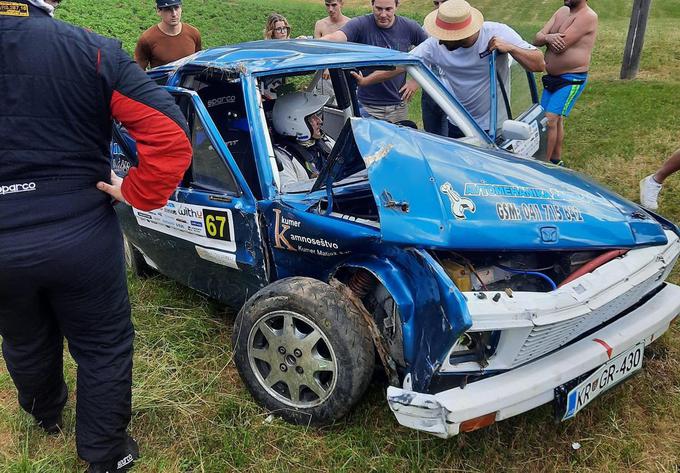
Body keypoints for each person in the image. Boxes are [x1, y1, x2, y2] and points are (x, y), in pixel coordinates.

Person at [0, 1, 192, 472]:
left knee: (23, 335)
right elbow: (170, 135)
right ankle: (106, 453)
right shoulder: (92, 50)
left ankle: (44, 413)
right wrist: (139, 192)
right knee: (103, 344)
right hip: (80, 230)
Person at [352, 0, 544, 137]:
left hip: (495, 127)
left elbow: (538, 63)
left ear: (462, 33)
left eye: (445, 35)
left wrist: (511, 48)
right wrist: (366, 81)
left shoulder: (496, 33)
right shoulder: (435, 44)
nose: (439, 39)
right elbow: (400, 65)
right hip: (458, 122)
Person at [322, 0, 428, 123]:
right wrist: (309, 43)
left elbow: (430, 54)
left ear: (396, 7)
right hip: (366, 106)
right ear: (372, 5)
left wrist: (416, 81)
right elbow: (336, 37)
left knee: (396, 142)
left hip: (398, 107)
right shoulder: (361, 24)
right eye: (378, 9)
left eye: (388, 9)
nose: (383, 14)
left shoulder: (410, 27)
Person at [534, 0, 598, 165]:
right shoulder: (561, 11)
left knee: (549, 120)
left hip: (571, 79)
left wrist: (546, 37)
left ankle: (543, 165)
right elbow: (537, 39)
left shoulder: (588, 16)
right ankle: (555, 159)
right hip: (553, 78)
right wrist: (548, 36)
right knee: (550, 119)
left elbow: (559, 47)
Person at [271, 92, 334, 189]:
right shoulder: (281, 156)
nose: (320, 121)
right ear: (294, 122)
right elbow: (288, 193)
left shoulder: (324, 141)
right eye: (312, 117)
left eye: (318, 115)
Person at [134, 0, 202, 70]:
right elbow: (137, 71)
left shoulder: (193, 33)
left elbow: (199, 63)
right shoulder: (147, 38)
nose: (174, 14)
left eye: (176, 8)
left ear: (181, 8)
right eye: (168, 9)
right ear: (158, 11)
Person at [420, 0, 448, 136]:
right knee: (431, 135)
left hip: (453, 91)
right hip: (431, 89)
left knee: (451, 135)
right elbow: (417, 55)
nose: (440, 7)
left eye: (444, 2)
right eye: (437, 3)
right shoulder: (429, 24)